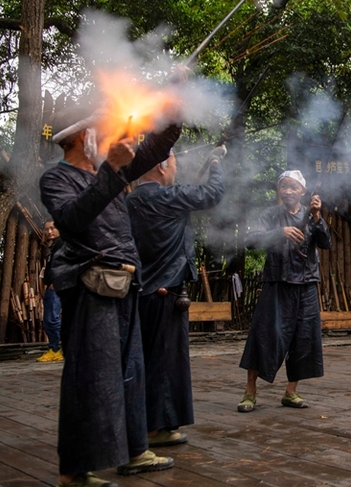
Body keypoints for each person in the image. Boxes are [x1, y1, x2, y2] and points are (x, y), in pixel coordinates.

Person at [40, 103, 180, 486]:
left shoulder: (112, 171)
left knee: (131, 374)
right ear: (84, 138)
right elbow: (71, 220)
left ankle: (135, 452)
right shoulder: (57, 179)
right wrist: (112, 170)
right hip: (90, 287)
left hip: (125, 284)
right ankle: (74, 471)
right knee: (92, 377)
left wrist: (173, 109)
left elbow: (154, 150)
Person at [127, 147, 226, 444]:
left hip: (143, 290)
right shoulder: (166, 196)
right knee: (161, 361)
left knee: (160, 359)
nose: (174, 169)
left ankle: (163, 422)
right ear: (159, 166)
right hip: (165, 290)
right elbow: (212, 193)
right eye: (171, 163)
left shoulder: (131, 200)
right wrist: (216, 163)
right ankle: (152, 430)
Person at [238, 170, 330, 411]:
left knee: (303, 339)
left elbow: (326, 243)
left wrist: (318, 216)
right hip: (277, 282)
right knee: (265, 335)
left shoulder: (312, 216)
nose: (288, 190)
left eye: (293, 187)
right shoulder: (270, 215)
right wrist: (279, 233)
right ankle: (250, 392)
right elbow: (251, 240)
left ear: (302, 191)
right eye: (284, 186)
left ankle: (291, 392)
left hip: (307, 284)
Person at [37, 221, 64, 363]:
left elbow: (64, 264)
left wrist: (56, 282)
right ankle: (55, 348)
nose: (49, 232)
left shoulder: (62, 244)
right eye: (47, 229)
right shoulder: (53, 247)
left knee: (51, 319)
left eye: (53, 228)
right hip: (51, 287)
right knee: (50, 320)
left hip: (56, 287)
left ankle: (55, 349)